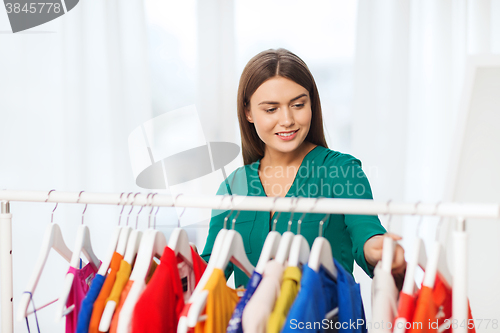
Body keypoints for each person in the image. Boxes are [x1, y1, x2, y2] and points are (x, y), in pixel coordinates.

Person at [200, 48, 406, 289]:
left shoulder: (342, 170)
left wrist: (376, 249)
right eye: (271, 109)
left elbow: (367, 234)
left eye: (298, 104)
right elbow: (209, 272)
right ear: (248, 112)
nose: (287, 119)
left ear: (312, 104)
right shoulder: (233, 186)